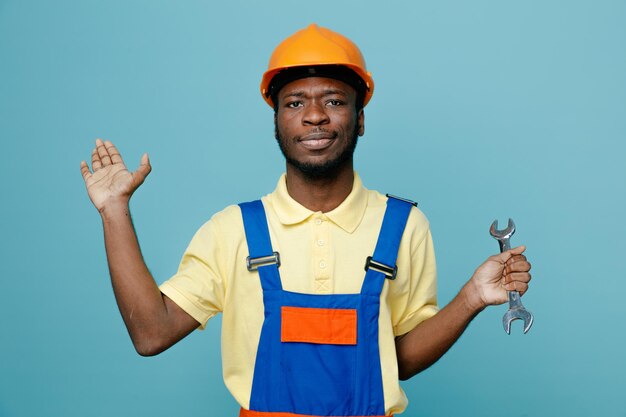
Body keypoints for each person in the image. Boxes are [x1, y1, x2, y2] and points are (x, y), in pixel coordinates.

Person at [80, 24, 532, 417]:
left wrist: (472, 296)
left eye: (334, 100)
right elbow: (150, 333)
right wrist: (115, 211)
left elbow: (397, 360)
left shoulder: (404, 226)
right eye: (295, 103)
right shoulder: (233, 231)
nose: (315, 116)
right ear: (276, 121)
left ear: (360, 120)